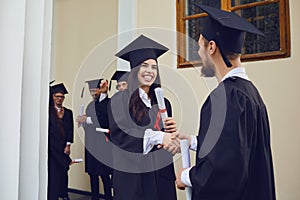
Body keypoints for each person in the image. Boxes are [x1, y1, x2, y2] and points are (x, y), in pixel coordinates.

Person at [175, 5, 276, 200]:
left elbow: (224, 172)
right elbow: (237, 148)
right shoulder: (250, 93)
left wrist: (186, 177)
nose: (199, 54)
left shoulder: (225, 98)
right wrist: (194, 142)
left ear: (211, 47)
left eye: (200, 47)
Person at [108, 34, 179, 200]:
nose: (150, 71)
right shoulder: (119, 100)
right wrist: (159, 136)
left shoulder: (164, 103)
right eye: (144, 66)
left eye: (154, 67)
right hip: (133, 177)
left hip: (160, 175)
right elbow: (121, 135)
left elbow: (165, 142)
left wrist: (170, 138)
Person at [76, 79, 113, 200]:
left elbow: (104, 120)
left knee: (104, 174)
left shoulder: (109, 103)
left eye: (94, 90)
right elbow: (90, 124)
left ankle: (108, 197)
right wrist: (83, 122)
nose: (92, 93)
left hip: (103, 145)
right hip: (91, 144)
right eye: (91, 91)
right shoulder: (91, 105)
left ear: (100, 89)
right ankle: (94, 198)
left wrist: (87, 120)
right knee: (93, 173)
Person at [48, 83, 74, 200]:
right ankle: (52, 195)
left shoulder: (68, 112)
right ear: (52, 97)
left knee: (64, 170)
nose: (59, 98)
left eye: (61, 96)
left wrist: (68, 145)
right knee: (53, 173)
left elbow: (70, 130)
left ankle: (63, 194)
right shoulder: (48, 112)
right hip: (52, 148)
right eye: (57, 96)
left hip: (63, 147)